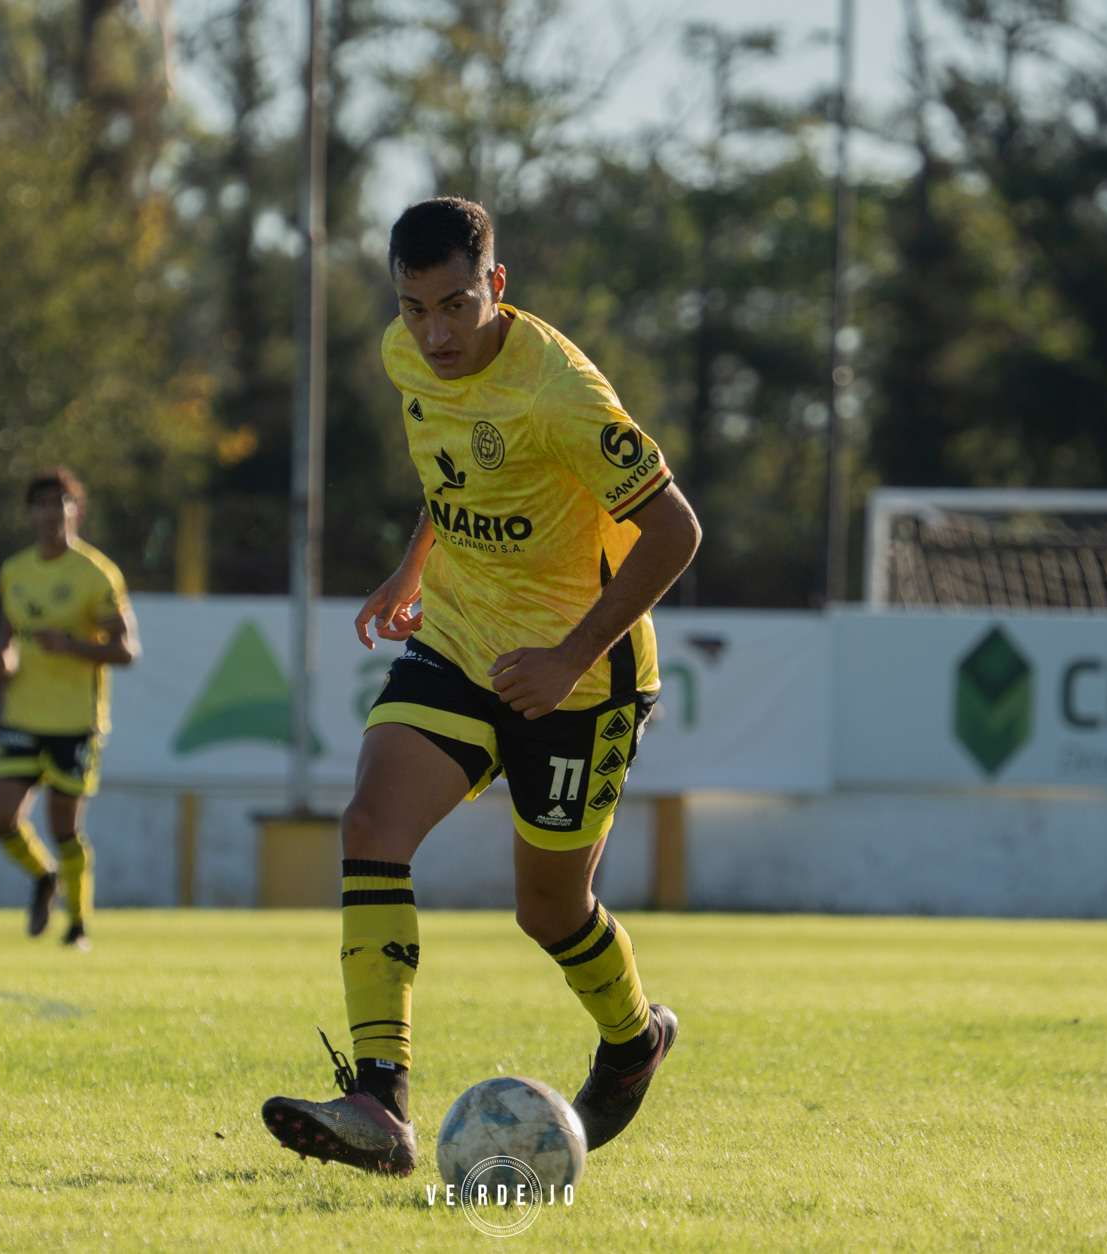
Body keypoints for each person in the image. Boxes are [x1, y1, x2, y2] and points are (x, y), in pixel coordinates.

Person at [261, 198, 701, 1175]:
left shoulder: (561, 394)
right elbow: (451, 472)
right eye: (415, 308)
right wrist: (413, 566)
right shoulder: (404, 355)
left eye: (456, 306)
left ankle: (635, 1041)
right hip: (459, 643)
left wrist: (572, 656)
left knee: (548, 911)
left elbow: (676, 530)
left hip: (579, 682)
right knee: (371, 826)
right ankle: (379, 1102)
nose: (435, 333)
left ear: (495, 285)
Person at [0, 466, 140, 950]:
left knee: (64, 826)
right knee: (1, 819)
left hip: (76, 720)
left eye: (62, 504)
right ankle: (44, 875)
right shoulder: (14, 571)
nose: (53, 513)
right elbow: (9, 637)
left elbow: (126, 651)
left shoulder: (96, 573)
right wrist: (1, 661)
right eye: (44, 504)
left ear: (76, 512)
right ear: (30, 514)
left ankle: (77, 926)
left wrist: (71, 645)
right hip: (22, 715)